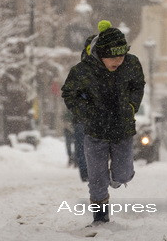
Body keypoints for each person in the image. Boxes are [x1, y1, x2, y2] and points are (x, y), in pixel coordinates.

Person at [61, 20, 145, 225]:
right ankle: (100, 217)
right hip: (95, 130)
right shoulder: (83, 70)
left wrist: (132, 106)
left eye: (122, 55)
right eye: (113, 57)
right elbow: (69, 93)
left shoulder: (131, 64)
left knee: (123, 174)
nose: (119, 60)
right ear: (101, 54)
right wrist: (86, 114)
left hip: (122, 129)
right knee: (97, 178)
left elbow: (138, 85)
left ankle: (117, 179)